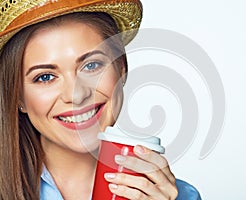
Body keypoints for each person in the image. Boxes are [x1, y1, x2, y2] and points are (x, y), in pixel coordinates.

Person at [0, 0, 201, 199]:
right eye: (45, 77)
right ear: (18, 97)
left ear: (121, 68)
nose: (76, 95)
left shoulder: (178, 196)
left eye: (91, 66)